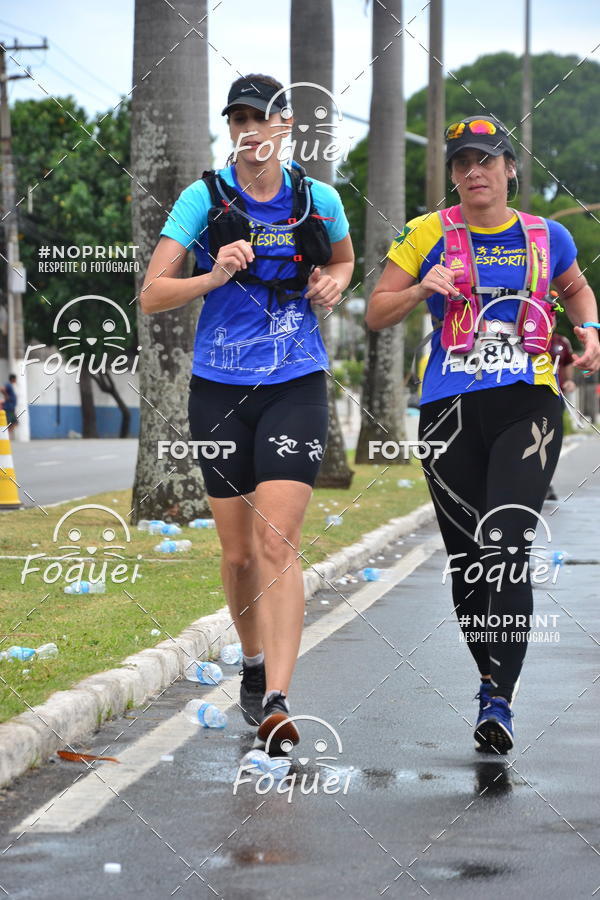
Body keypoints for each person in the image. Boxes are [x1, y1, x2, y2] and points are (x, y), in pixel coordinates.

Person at [366, 115, 600, 754]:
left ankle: (500, 701)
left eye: (487, 161)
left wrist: (591, 330)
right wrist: (420, 288)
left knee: (505, 544)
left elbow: (577, 291)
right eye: (463, 162)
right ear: (452, 174)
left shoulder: (546, 236)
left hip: (528, 403)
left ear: (510, 169)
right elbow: (375, 312)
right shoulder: (424, 235)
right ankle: (489, 677)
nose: (474, 172)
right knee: (468, 561)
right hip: (448, 410)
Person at [141, 74, 354, 751]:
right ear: (230, 127)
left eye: (263, 118)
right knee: (236, 556)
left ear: (287, 125)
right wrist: (213, 275)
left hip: (296, 381)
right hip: (219, 390)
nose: (251, 129)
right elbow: (151, 294)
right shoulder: (203, 199)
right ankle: (253, 663)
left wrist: (331, 283)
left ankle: (280, 702)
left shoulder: (317, 200)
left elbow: (346, 261)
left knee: (276, 543)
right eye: (239, 119)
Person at [546, 332, 576, 500]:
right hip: (532, 394)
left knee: (551, 440)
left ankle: (547, 484)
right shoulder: (527, 333)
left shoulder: (561, 341)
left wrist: (570, 381)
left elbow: (568, 364)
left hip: (557, 396)